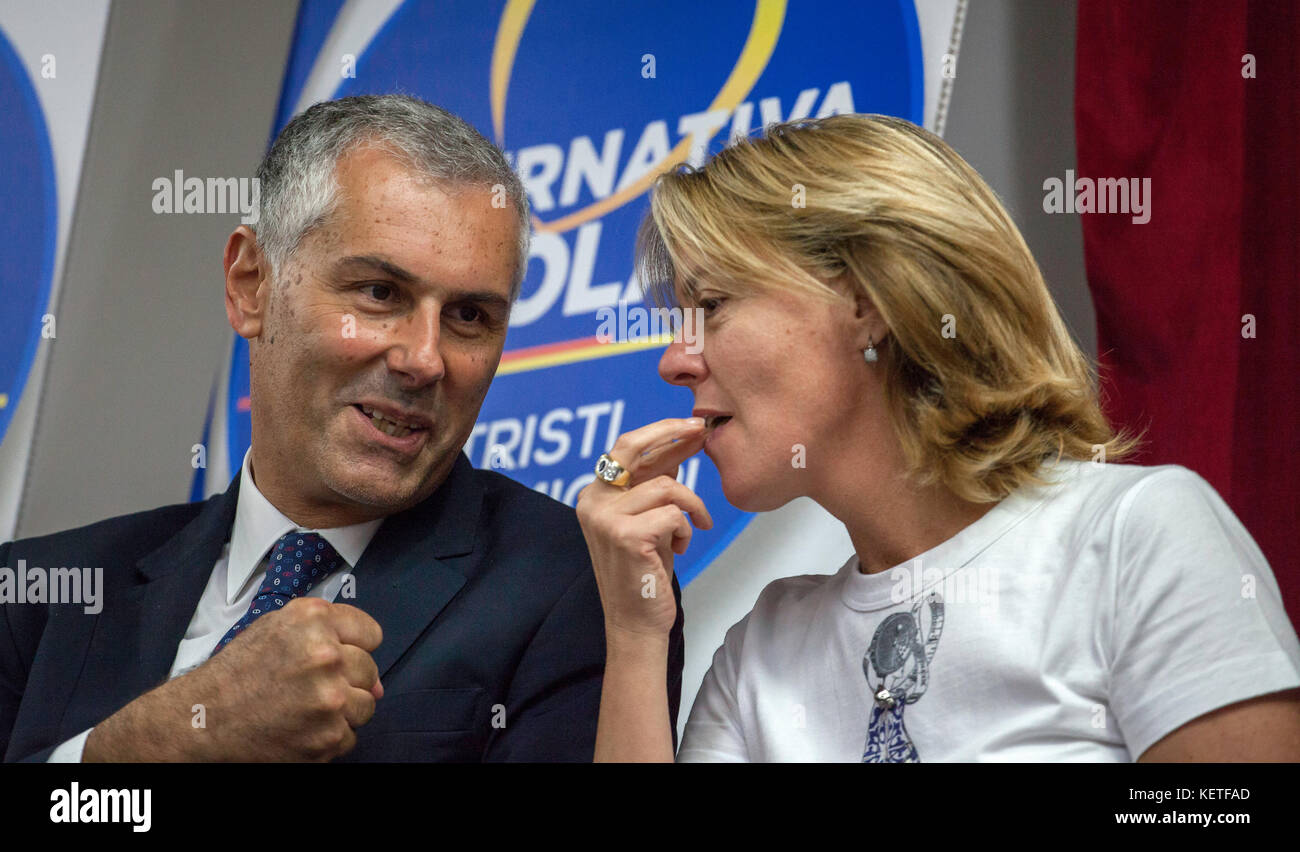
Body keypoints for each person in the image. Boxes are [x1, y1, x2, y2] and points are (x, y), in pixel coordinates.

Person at [576, 113, 1300, 762]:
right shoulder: (760, 653)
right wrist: (635, 637)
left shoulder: (1135, 536)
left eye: (712, 305)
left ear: (868, 303)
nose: (674, 359)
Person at [0, 94, 684, 763]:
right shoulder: (39, 592)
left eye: (469, 317)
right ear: (251, 284)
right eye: (380, 294)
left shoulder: (578, 587)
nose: (423, 358)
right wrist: (170, 741)